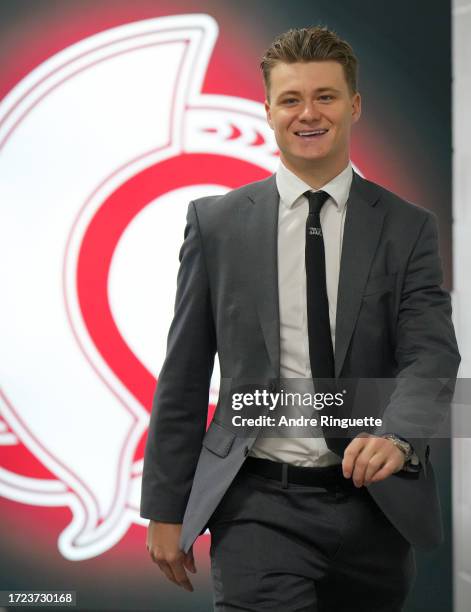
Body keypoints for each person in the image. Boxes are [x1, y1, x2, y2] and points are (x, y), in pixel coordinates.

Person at [141, 26, 460, 611]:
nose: (308, 113)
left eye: (326, 96)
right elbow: (184, 372)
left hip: (376, 509)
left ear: (354, 105)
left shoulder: (408, 226)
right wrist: (164, 507)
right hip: (258, 506)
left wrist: (399, 434)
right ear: (268, 110)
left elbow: (431, 352)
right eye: (291, 99)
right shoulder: (215, 224)